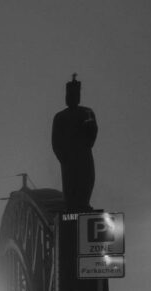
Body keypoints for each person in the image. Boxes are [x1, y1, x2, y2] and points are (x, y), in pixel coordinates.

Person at [52, 74, 98, 211]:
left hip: (82, 155)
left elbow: (93, 133)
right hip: (70, 158)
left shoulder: (87, 112)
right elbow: (55, 142)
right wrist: (64, 157)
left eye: (74, 94)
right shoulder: (60, 117)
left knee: (86, 181)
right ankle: (72, 206)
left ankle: (83, 204)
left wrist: (87, 137)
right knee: (71, 184)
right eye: (69, 95)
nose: (71, 98)